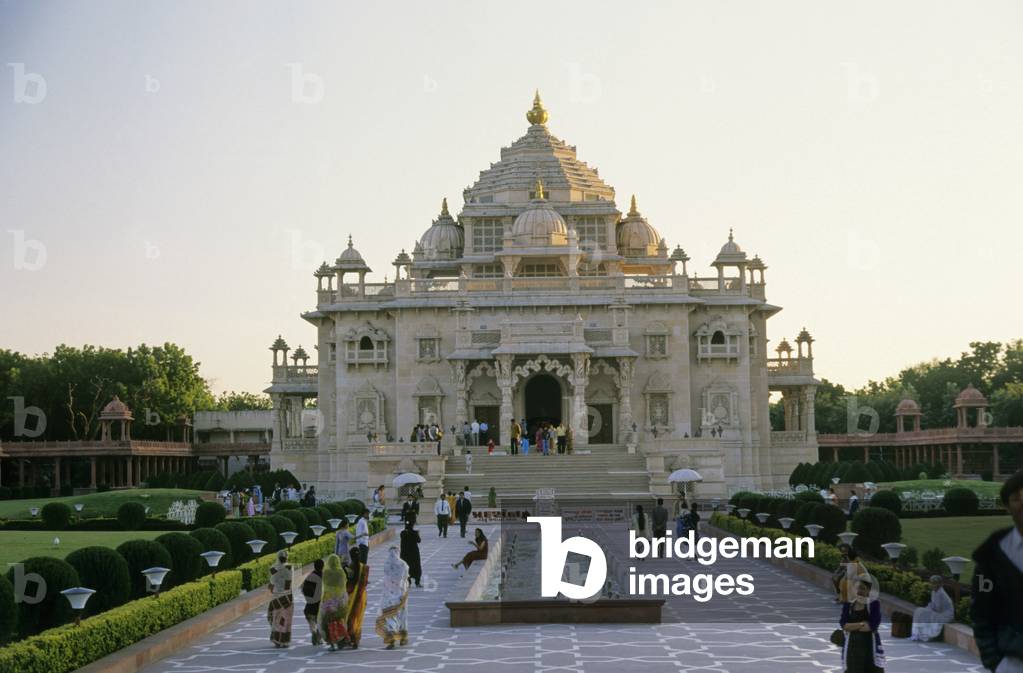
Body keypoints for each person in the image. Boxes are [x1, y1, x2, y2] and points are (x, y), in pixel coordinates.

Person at [971, 470, 1023, 672]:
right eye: (1016, 499)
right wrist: (994, 660)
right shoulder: (991, 557)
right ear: (1007, 505)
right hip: (1012, 662)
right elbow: (981, 611)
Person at [840, 575, 885, 672]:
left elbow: (872, 626)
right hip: (852, 648)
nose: (859, 591)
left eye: (863, 588)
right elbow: (844, 625)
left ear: (869, 590)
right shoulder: (849, 604)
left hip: (869, 646)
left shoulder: (874, 604)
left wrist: (852, 626)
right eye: (858, 588)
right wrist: (861, 624)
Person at [375, 547, 410, 650]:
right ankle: (403, 638)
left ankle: (392, 640)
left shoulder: (386, 564)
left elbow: (386, 577)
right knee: (402, 616)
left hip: (388, 595)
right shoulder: (403, 564)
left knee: (390, 616)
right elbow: (406, 577)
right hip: (401, 594)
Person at [318, 553, 350, 651]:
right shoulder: (341, 572)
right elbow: (344, 584)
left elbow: (324, 583)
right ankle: (341, 640)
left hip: (328, 600)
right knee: (340, 621)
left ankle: (332, 643)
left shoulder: (326, 572)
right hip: (340, 600)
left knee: (327, 622)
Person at [910, 575, 954, 641]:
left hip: (944, 616)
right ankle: (916, 634)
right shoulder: (934, 592)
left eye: (935, 583)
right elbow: (933, 604)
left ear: (940, 584)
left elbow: (938, 609)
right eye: (932, 583)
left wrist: (928, 609)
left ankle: (924, 635)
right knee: (918, 611)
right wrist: (927, 608)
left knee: (922, 613)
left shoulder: (941, 593)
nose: (932, 585)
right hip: (938, 613)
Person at [267, 550, 294, 648]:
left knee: (275, 618)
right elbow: (289, 583)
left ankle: (277, 640)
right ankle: (284, 641)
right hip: (287, 596)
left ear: (278, 557)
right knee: (285, 619)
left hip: (276, 597)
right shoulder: (290, 567)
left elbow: (271, 585)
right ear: (287, 558)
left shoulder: (273, 568)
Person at [346, 546, 369, 649]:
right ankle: (356, 638)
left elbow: (348, 583)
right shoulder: (365, 567)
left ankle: (351, 638)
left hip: (351, 595)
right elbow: (365, 583)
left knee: (350, 617)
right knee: (358, 617)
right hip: (361, 595)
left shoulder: (349, 567)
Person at [301, 559, 324, 645]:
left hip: (311, 604)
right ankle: (319, 637)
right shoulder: (324, 576)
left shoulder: (310, 576)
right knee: (321, 620)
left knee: (311, 618)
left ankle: (314, 630)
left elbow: (304, 589)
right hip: (322, 604)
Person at [400, 521, 423, 587]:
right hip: (414, 553)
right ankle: (417, 582)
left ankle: (408, 582)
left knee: (406, 567)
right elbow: (419, 540)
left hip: (405, 553)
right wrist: (418, 534)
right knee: (416, 567)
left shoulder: (402, 533)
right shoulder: (414, 533)